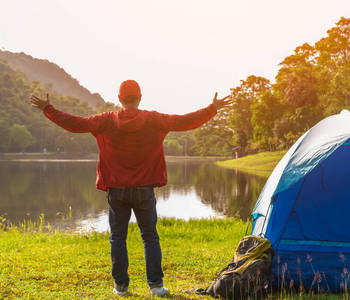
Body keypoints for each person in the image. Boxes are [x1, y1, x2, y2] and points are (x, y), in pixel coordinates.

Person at [30, 80, 231, 296]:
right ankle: (155, 287)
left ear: (119, 99)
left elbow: (75, 124)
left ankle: (121, 287)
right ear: (140, 97)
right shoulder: (153, 120)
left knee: (118, 237)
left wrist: (48, 109)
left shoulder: (106, 120)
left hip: (116, 190)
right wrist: (212, 109)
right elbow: (185, 121)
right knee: (150, 237)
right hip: (144, 189)